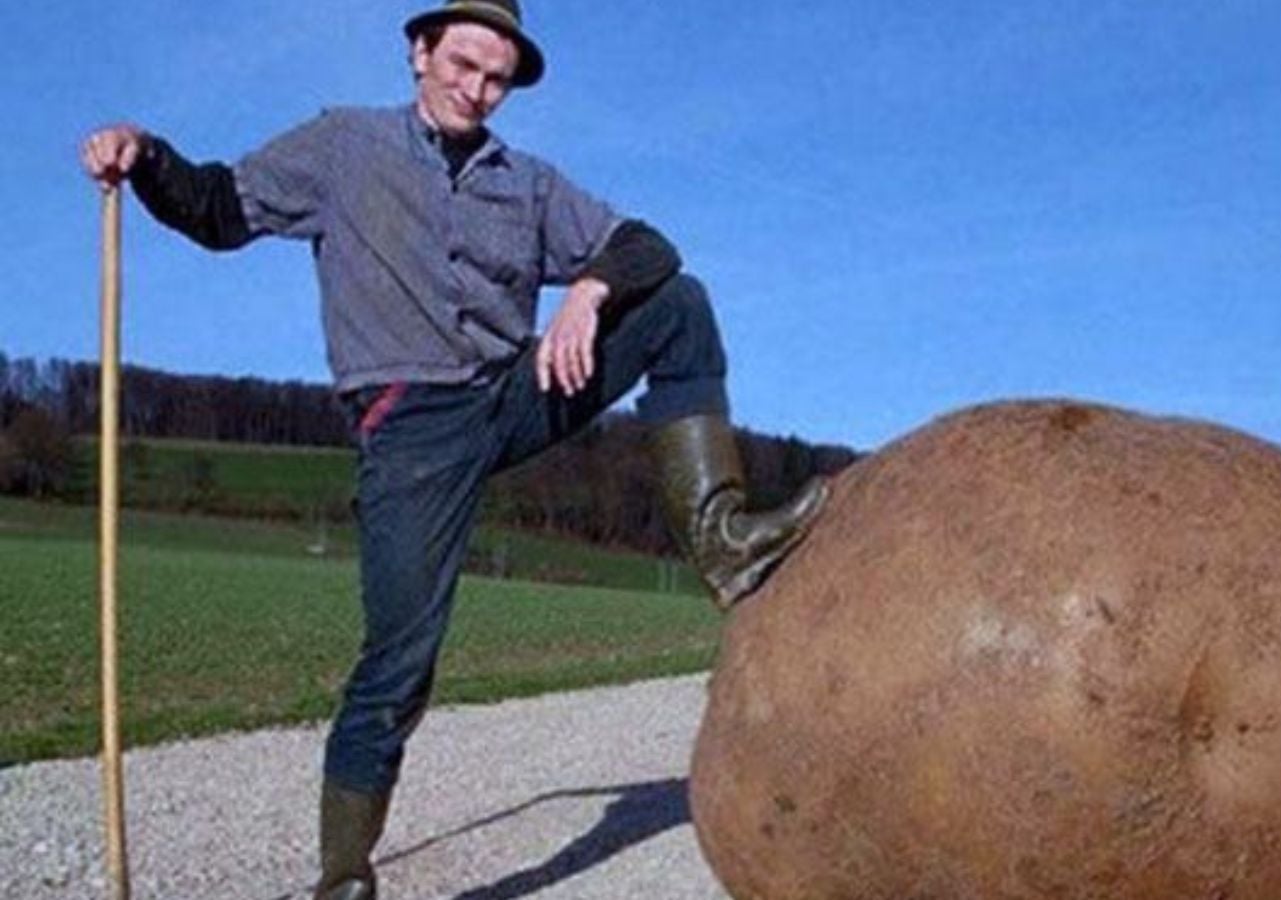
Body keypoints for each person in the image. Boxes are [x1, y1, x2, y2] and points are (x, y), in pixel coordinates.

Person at [80, 2, 827, 897]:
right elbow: (216, 209)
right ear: (419, 53)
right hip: (411, 428)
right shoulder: (342, 148)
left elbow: (647, 244)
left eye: (496, 79)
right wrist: (144, 152)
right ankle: (343, 877)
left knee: (677, 302)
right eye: (463, 65)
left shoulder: (527, 181)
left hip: (515, 393)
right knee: (398, 667)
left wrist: (588, 288)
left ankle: (719, 539)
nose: (477, 91)